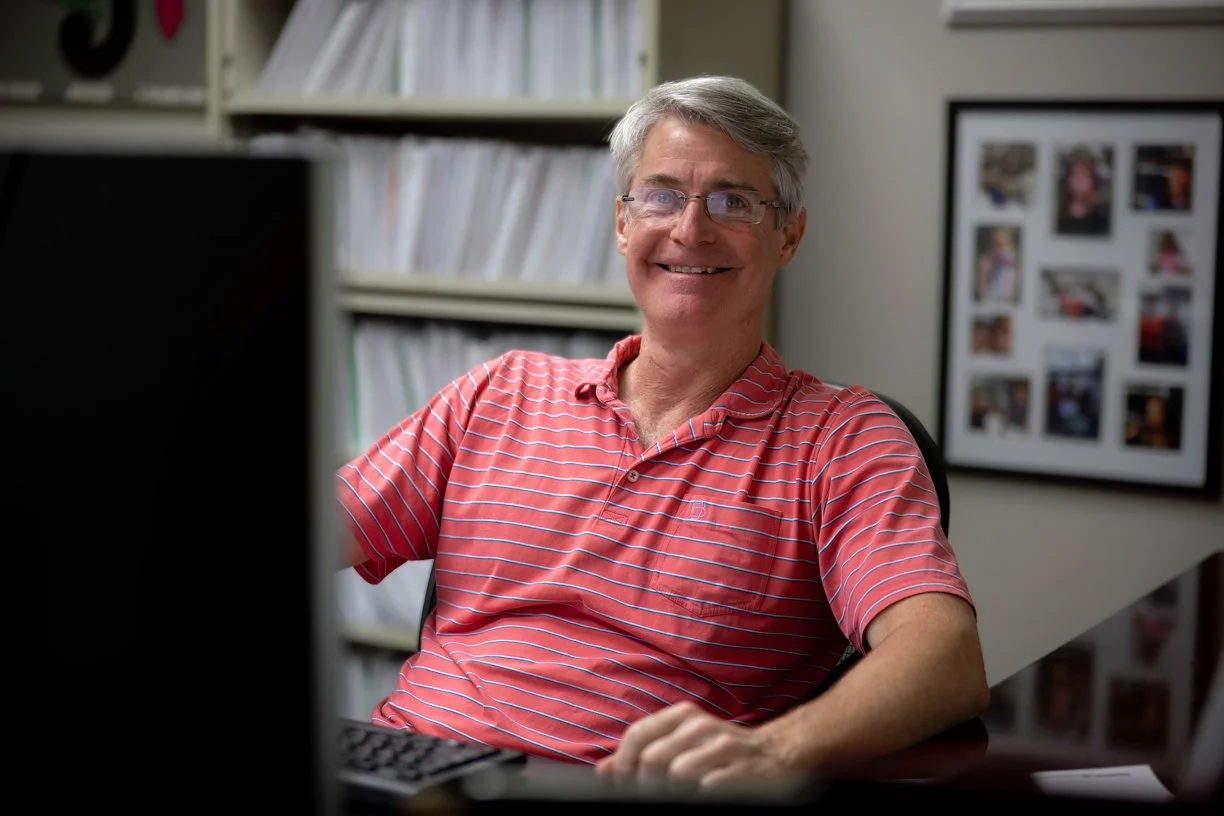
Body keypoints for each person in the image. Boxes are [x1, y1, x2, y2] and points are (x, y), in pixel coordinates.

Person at [335, 75, 989, 791]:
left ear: (789, 235)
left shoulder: (843, 441)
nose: (690, 229)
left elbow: (944, 658)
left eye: (733, 201)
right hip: (402, 778)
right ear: (623, 222)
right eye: (662, 195)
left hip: (608, 797)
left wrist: (775, 753)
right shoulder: (500, 393)